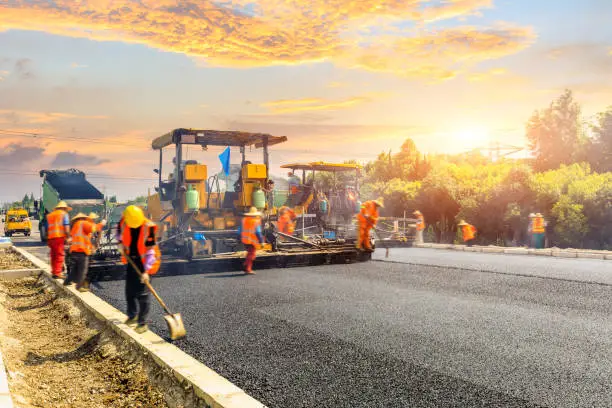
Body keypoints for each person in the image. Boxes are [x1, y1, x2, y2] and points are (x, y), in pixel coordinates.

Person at [118, 205, 161, 334]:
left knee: (142, 293)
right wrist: (120, 243)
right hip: (132, 259)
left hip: (147, 261)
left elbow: (151, 253)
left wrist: (146, 272)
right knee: (129, 290)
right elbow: (120, 235)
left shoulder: (149, 228)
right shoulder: (124, 222)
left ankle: (142, 323)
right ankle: (132, 316)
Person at [64, 213, 106, 291]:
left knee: (75, 269)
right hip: (81, 250)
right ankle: (79, 286)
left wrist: (91, 247)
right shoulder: (84, 223)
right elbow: (94, 228)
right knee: (83, 270)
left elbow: (83, 238)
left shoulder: (75, 226)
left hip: (74, 250)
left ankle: (67, 281)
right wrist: (102, 223)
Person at [46, 201, 72, 279]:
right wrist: (68, 237)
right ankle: (57, 273)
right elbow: (66, 228)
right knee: (59, 255)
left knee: (53, 255)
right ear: (64, 208)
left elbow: (48, 228)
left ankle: (54, 272)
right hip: (59, 238)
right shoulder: (64, 214)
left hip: (51, 238)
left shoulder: (50, 215)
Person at [238, 206, 264, 275]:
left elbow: (239, 230)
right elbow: (258, 232)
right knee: (251, 255)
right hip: (252, 242)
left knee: (249, 253)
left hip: (245, 241)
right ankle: (247, 268)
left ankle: (246, 265)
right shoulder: (256, 222)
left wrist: (238, 237)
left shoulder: (244, 220)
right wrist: (261, 241)